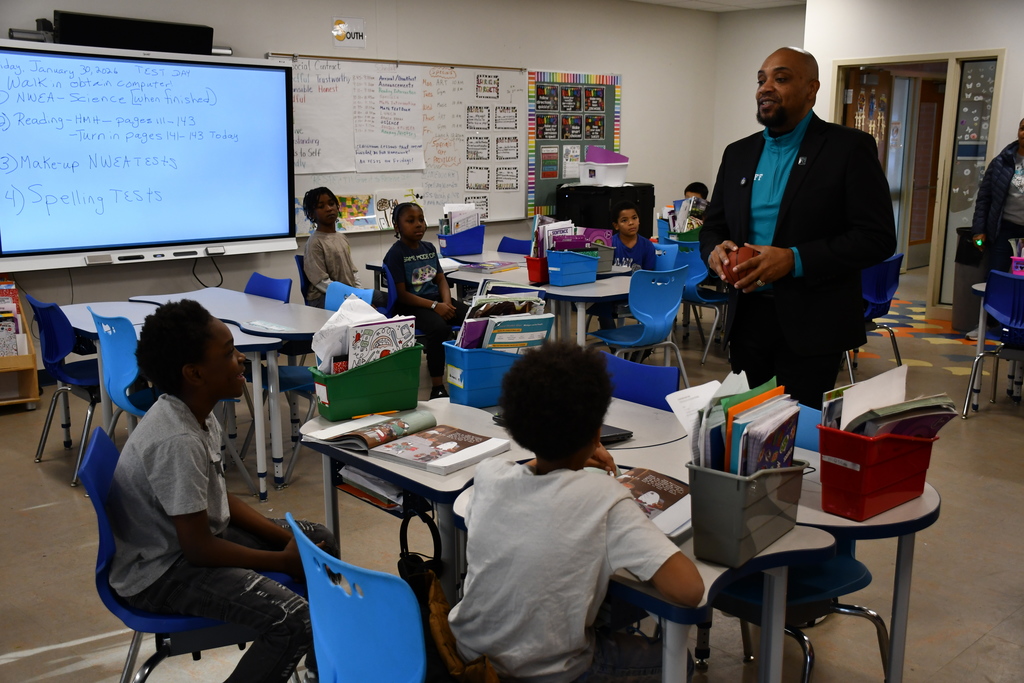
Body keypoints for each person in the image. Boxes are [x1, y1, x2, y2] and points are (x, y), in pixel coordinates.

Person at [106, 299, 338, 683]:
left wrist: (287, 540)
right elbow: (198, 549)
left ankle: (321, 670)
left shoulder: (194, 410)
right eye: (229, 353)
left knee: (318, 540)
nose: (241, 359)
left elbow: (217, 498)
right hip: (161, 573)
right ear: (195, 374)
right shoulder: (177, 439)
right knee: (293, 620)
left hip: (186, 545)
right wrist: (283, 561)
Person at [449, 341, 704, 683]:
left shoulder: (489, 475)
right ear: (598, 434)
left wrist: (568, 458)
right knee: (680, 662)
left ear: (517, 428)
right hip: (549, 672)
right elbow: (689, 590)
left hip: (468, 655)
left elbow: (535, 487)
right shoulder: (606, 499)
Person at [699, 47, 896, 409]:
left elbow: (877, 238)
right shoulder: (737, 153)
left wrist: (794, 259)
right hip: (746, 319)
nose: (765, 88)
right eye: (761, 80)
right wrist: (714, 251)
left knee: (796, 430)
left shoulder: (848, 148)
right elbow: (713, 227)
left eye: (781, 78)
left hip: (813, 324)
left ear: (811, 89)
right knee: (745, 423)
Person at [383, 202, 468, 399]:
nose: (418, 224)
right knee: (439, 329)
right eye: (410, 221)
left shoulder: (429, 248)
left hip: (436, 301)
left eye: (421, 219)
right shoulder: (396, 254)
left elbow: (441, 279)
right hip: (410, 305)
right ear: (397, 226)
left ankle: (468, 373)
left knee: (472, 317)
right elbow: (402, 294)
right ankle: (437, 386)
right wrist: (435, 306)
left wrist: (446, 303)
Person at [301, 186, 387, 309]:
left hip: (349, 292)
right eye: (321, 206)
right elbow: (321, 282)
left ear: (337, 207)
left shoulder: (341, 237)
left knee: (390, 299)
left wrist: (360, 293)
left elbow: (353, 272)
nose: (329, 209)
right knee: (361, 308)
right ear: (311, 214)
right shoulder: (314, 242)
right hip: (324, 297)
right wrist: (356, 300)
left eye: (331, 204)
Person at [971, 116, 1024, 275]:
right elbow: (984, 198)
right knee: (996, 275)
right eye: (1022, 128)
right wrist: (979, 230)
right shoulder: (1001, 162)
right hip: (1004, 230)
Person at [594, 200, 656, 329]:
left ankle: (645, 341)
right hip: (611, 293)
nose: (631, 223)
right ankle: (612, 340)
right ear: (616, 225)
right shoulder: (609, 244)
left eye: (634, 218)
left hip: (636, 292)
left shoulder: (647, 245)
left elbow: (649, 275)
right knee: (603, 306)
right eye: (624, 220)